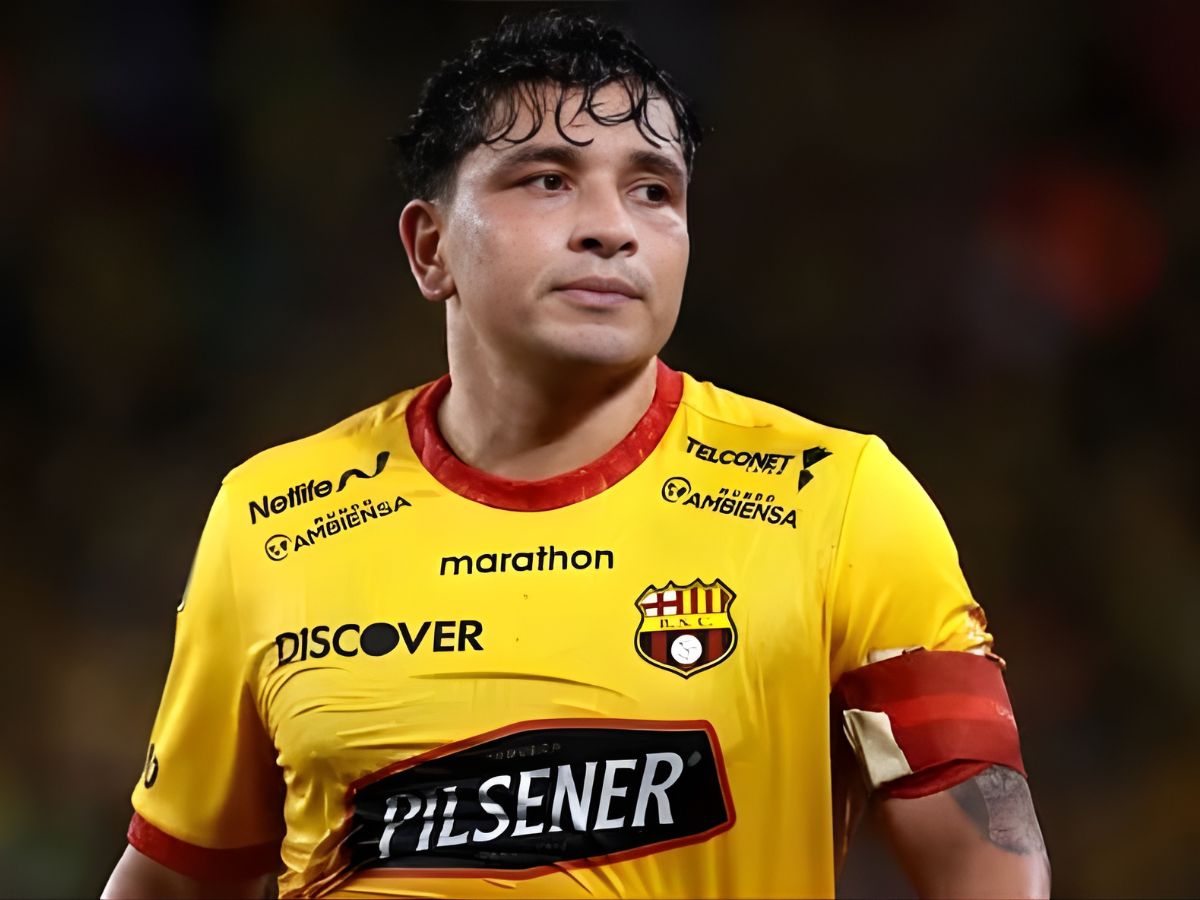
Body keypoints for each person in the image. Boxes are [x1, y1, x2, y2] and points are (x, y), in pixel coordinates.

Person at [103, 10, 1050, 899]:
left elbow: (990, 862)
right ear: (431, 249)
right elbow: (175, 877)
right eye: (548, 180)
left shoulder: (836, 503)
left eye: (653, 190)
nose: (612, 226)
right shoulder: (273, 519)